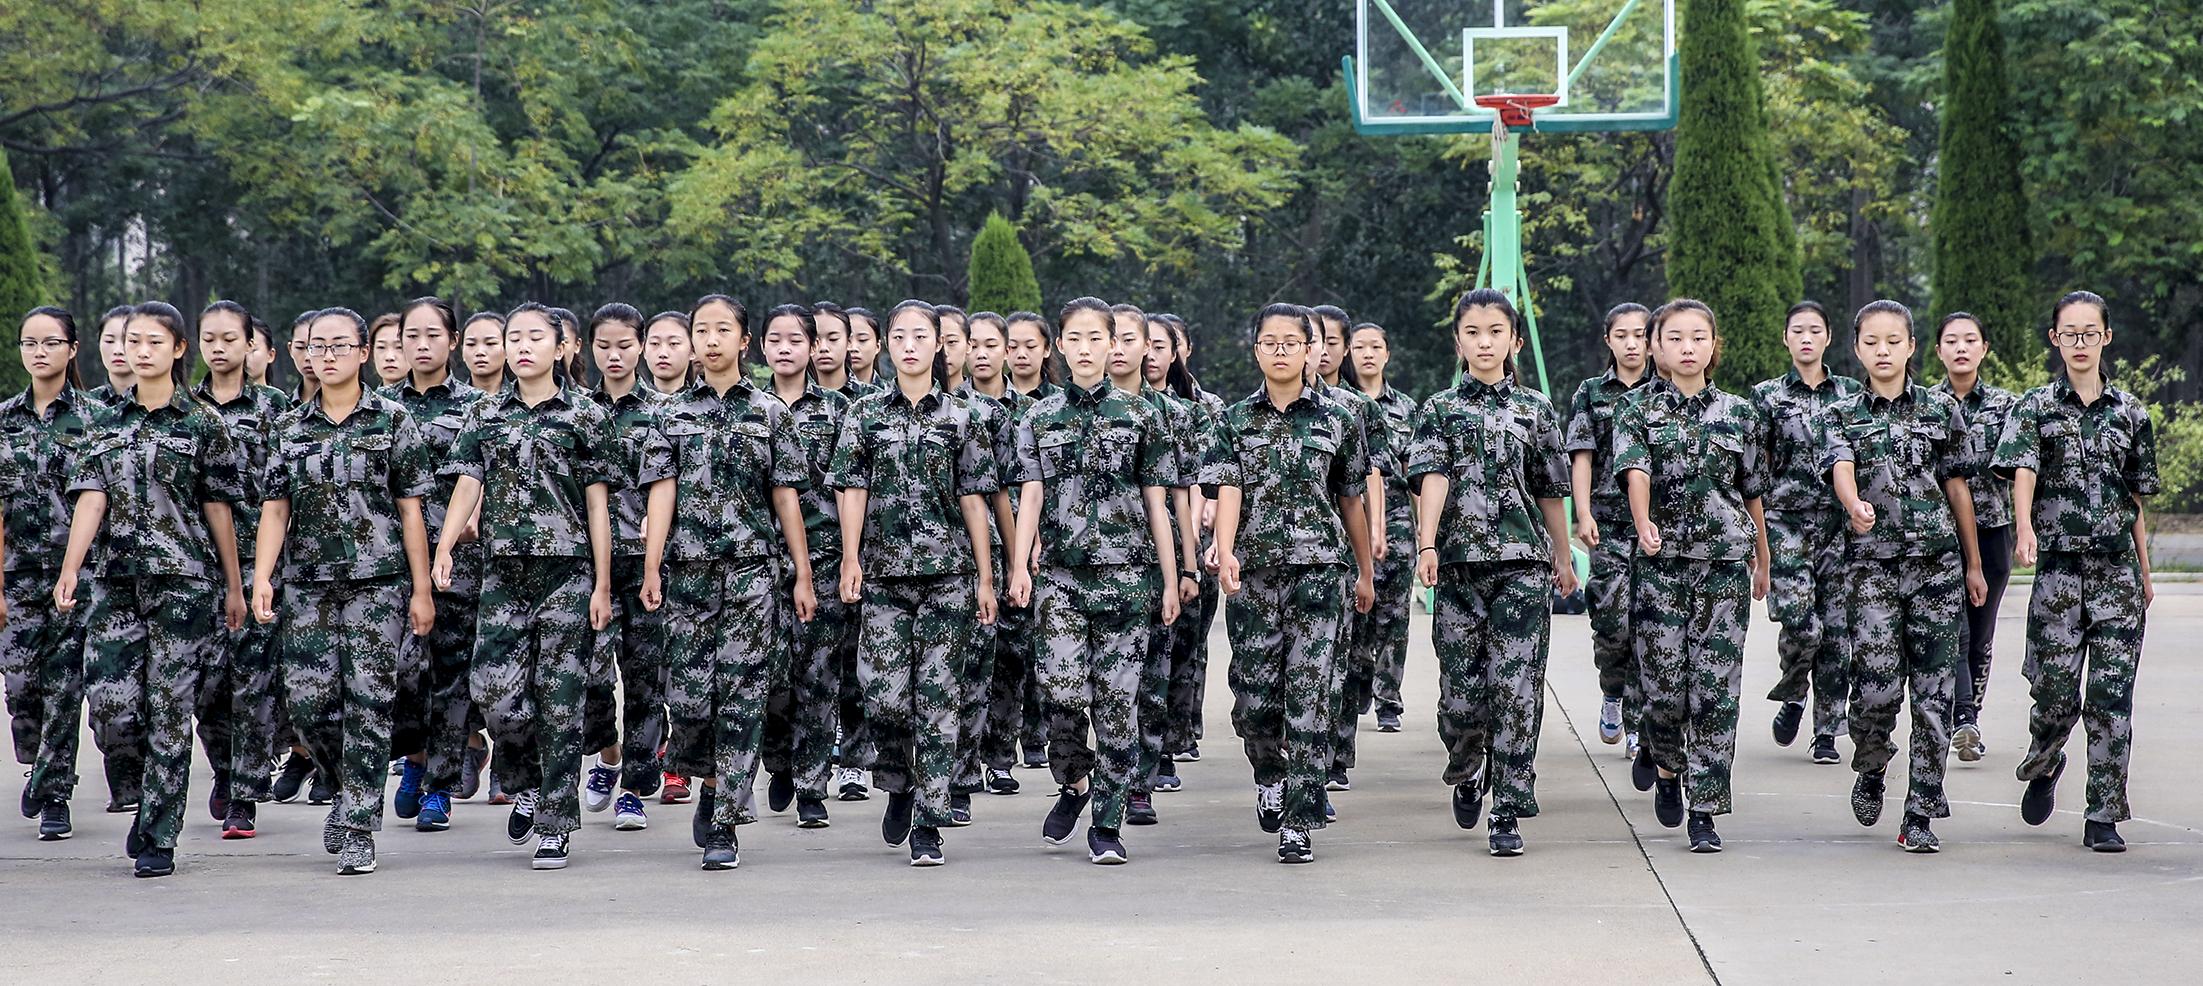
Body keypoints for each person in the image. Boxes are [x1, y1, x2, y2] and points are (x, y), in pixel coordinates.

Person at [56, 300, 249, 877]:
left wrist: (235, 586)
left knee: (171, 708)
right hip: (114, 579)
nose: (140, 352)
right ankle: (142, 797)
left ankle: (160, 833)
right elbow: (92, 495)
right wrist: (72, 567)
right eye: (131, 342)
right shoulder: (102, 421)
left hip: (184, 582)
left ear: (177, 350)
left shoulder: (201, 424)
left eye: (153, 343)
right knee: (114, 705)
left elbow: (218, 509)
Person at [433, 302, 618, 870]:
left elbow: (598, 506)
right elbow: (468, 483)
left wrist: (603, 586)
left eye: (536, 337)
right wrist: (444, 545)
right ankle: (528, 781)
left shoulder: (586, 417)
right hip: (503, 575)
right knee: (494, 695)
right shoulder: (487, 415)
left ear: (560, 348)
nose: (522, 346)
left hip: (567, 573)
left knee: (558, 702)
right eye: (515, 337)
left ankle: (554, 826)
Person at [252, 306, 437, 875]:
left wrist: (422, 588)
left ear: (363, 353)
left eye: (339, 346)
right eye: (317, 347)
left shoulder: (393, 421)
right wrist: (262, 576)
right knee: (309, 706)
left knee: (369, 704)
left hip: (377, 586)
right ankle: (341, 784)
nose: (326, 357)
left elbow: (411, 512)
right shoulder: (289, 426)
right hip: (308, 585)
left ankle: (358, 822)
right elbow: (275, 508)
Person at [636, 294, 807, 870]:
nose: (709, 340)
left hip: (753, 573)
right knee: (686, 698)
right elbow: (661, 493)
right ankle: (705, 776)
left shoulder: (769, 412)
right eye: (700, 330)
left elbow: (785, 497)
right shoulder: (669, 415)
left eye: (722, 330)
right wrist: (652, 563)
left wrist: (802, 573)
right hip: (686, 573)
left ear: (744, 341)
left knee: (742, 694)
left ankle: (724, 817)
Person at [1202, 302, 1374, 864]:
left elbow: (1350, 499)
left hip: (1321, 574)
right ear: (1255, 351)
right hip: (1253, 576)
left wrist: (1365, 568)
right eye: (1268, 342)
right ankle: (1268, 775)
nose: (1280, 350)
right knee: (1254, 700)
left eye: (1291, 342)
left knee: (1310, 696)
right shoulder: (1232, 421)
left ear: (1311, 351)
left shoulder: (1340, 419)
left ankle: (1299, 818)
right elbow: (1228, 489)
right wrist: (1225, 551)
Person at [827, 299, 998, 866]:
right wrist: (850, 559)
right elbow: (852, 491)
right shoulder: (865, 414)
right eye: (897, 335)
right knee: (884, 695)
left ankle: (930, 818)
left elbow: (975, 500)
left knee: (939, 699)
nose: (907, 344)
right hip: (881, 574)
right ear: (885, 346)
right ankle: (898, 779)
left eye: (919, 335)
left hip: (947, 575)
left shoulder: (963, 417)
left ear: (938, 346)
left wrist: (985, 576)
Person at [1010, 296, 1179, 864]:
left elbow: (1158, 503)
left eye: (1095, 339)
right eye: (1074, 339)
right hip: (1059, 576)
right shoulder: (1037, 418)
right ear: (1061, 346)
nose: (1084, 349)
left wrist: (1172, 575)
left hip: (1128, 578)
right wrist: (1018, 564)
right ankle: (1075, 781)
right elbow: (1029, 494)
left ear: (1115, 346)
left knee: (1116, 704)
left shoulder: (1142, 416)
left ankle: (1107, 823)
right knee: (1058, 694)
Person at [1408, 288, 1575, 856]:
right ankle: (1466, 763)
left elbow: (1552, 489)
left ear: (1514, 340)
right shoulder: (1439, 409)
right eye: (1473, 333)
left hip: (1523, 568)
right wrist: (1426, 545)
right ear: (1458, 342)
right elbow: (1432, 479)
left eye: (1495, 332)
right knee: (1461, 695)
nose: (1484, 342)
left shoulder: (1536, 408)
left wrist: (1561, 555)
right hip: (1457, 567)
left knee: (1518, 688)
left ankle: (1509, 805)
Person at [1994, 290, 2158, 852]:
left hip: (2116, 574)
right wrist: (2024, 529)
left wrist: (2146, 569)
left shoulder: (2131, 413)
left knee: (2112, 698)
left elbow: (2136, 497)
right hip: (2059, 573)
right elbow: (2023, 470)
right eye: (2071, 333)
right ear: (2055, 339)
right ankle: (2045, 761)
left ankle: (2103, 813)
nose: (2081, 342)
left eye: (2091, 332)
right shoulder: (2035, 407)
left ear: (2107, 338)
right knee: (2055, 692)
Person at [1823, 300, 1987, 854]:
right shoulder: (1842, 413)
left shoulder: (1943, 410)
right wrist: (1854, 506)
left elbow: (1958, 488)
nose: (1883, 351)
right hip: (1871, 569)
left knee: (1935, 694)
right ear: (1857, 349)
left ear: (1912, 347)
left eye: (1894, 341)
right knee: (1875, 690)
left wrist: (1973, 564)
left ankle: (1920, 810)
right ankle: (1870, 765)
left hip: (1937, 567)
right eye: (1872, 342)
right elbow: (1842, 468)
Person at [1612, 298, 1771, 854]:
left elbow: (1752, 493)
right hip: (1661, 569)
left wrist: (1763, 561)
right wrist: (1643, 521)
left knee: (1716, 692)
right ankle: (1668, 767)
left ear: (1712, 345)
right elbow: (1636, 471)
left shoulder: (1740, 414)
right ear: (1656, 347)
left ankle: (1706, 810)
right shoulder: (1634, 411)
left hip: (1724, 567)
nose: (1687, 347)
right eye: (1674, 337)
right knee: (1663, 693)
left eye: (1697, 337)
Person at [382, 298, 490, 826]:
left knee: (450, 672)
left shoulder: (475, 407)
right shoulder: (379, 406)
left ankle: (439, 786)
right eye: (411, 336)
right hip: (390, 560)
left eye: (432, 335)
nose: (421, 346)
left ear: (453, 341)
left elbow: (487, 473)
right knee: (402, 670)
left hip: (457, 560)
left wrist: (473, 520)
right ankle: (415, 756)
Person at [192, 300, 294, 839]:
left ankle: (244, 795)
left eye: (232, 338)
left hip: (262, 562)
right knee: (206, 685)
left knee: (253, 681)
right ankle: (226, 768)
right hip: (197, 564)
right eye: (210, 337)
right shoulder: (186, 409)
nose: (221, 347)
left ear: (251, 344)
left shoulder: (277, 409)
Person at [2, 307, 100, 841]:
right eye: (29, 343)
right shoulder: (4, 419)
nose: (39, 352)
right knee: (22, 687)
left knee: (65, 684)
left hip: (77, 574)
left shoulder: (95, 418)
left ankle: (55, 791)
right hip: (16, 572)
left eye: (50, 342)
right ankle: (37, 762)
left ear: (72, 348)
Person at [1751, 302, 1861, 765]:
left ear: (1829, 337)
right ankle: (1795, 690)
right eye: (1798, 331)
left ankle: (1827, 732)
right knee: (1801, 623)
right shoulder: (1767, 397)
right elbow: (1754, 466)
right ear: (1786, 339)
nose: (1807, 339)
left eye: (1815, 331)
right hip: (1785, 522)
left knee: (1837, 634)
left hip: (1838, 526)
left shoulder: (1852, 393)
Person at [577, 303, 673, 833]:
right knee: (589, 672)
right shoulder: (576, 411)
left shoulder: (662, 414)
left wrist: (656, 562)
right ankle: (608, 757)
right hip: (584, 565)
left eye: (624, 345)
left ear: (641, 347)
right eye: (604, 346)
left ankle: (634, 786)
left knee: (643, 678)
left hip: (644, 564)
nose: (614, 356)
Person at [755, 304, 851, 829]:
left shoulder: (840, 412)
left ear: (814, 348)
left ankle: (813, 784)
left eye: (797, 339)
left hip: (823, 553)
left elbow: (853, 490)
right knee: (767, 674)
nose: (786, 348)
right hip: (758, 557)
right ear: (762, 348)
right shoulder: (749, 408)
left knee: (817, 676)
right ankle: (779, 760)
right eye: (776, 339)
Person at [1104, 303, 1196, 827]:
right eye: (1108, 337)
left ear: (1150, 348)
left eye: (1128, 338)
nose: (1116, 348)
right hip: (1089, 569)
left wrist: (1184, 567)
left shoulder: (1172, 416)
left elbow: (1180, 498)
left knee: (1150, 678)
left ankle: (1140, 783)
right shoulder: (1068, 411)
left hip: (1150, 566)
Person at [1565, 303, 1653, 760]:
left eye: (1640, 335)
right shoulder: (1592, 392)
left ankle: (1638, 723)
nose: (1632, 344)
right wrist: (1583, 514)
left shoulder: (1665, 390)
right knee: (1613, 620)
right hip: (1610, 523)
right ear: (1609, 341)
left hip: (1659, 525)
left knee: (1649, 624)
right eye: (1623, 335)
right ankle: (1613, 691)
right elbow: (1582, 456)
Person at [1932, 313, 2018, 762]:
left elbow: (2023, 470)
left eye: (1970, 340)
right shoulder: (1926, 405)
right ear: (1937, 351)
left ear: (1985, 348)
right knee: (1954, 630)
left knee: (1981, 634)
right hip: (1939, 534)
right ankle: (1961, 717)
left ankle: (1971, 716)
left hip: (1992, 531)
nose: (1961, 348)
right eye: (1952, 341)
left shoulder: (2007, 407)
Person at [1135, 310, 1206, 802]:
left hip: (1173, 552)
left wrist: (1189, 558)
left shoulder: (1186, 412)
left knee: (1173, 656)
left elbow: (1195, 485)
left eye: (1163, 345)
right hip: (1111, 556)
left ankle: (1156, 751)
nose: (1153, 354)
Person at [964, 312, 1034, 797]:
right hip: (965, 552)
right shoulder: (953, 409)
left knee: (1011, 657)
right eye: (974, 344)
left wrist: (1019, 559)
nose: (982, 353)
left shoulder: (1027, 412)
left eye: (992, 344)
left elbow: (1018, 491)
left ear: (1008, 351)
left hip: (1016, 546)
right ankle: (963, 763)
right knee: (967, 661)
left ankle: (1000, 755)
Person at [1346, 321, 1417, 737]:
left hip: (1396, 520)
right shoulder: (1343, 404)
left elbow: (1417, 476)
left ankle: (1388, 698)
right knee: (1358, 613)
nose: (1368, 354)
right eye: (1360, 346)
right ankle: (1359, 685)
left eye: (1376, 347)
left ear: (1387, 354)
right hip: (1354, 520)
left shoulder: (1406, 409)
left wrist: (1426, 536)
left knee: (1394, 614)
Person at [89, 306, 135, 406]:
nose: (118, 350)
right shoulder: (86, 405)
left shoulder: (163, 402)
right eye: (109, 341)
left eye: (128, 340)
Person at [643, 310, 695, 396]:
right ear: (644, 350)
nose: (663, 354)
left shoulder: (709, 405)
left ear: (693, 350)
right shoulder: (625, 404)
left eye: (674, 343)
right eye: (655, 343)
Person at [460, 311, 508, 396]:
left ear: (507, 349)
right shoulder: (446, 403)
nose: (479, 352)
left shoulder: (525, 400)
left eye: (490, 343)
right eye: (471, 344)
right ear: (463, 352)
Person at [845, 306, 882, 392]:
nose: (853, 348)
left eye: (862, 340)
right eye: (847, 341)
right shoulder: (822, 396)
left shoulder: (892, 395)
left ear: (877, 346)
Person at [369, 313, 409, 388]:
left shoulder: (433, 398)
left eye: (399, 347)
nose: (389, 357)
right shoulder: (365, 399)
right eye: (381, 347)